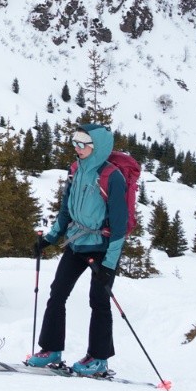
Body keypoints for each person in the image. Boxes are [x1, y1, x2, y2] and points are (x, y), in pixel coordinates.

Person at [25, 123, 127, 377]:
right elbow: (65, 211)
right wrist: (49, 238)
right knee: (57, 293)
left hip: (102, 248)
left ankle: (99, 359)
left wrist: (109, 264)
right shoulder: (76, 170)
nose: (77, 148)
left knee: (99, 301)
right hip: (76, 242)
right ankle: (51, 349)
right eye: (75, 142)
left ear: (98, 147)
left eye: (83, 143)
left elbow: (120, 225)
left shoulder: (111, 176)